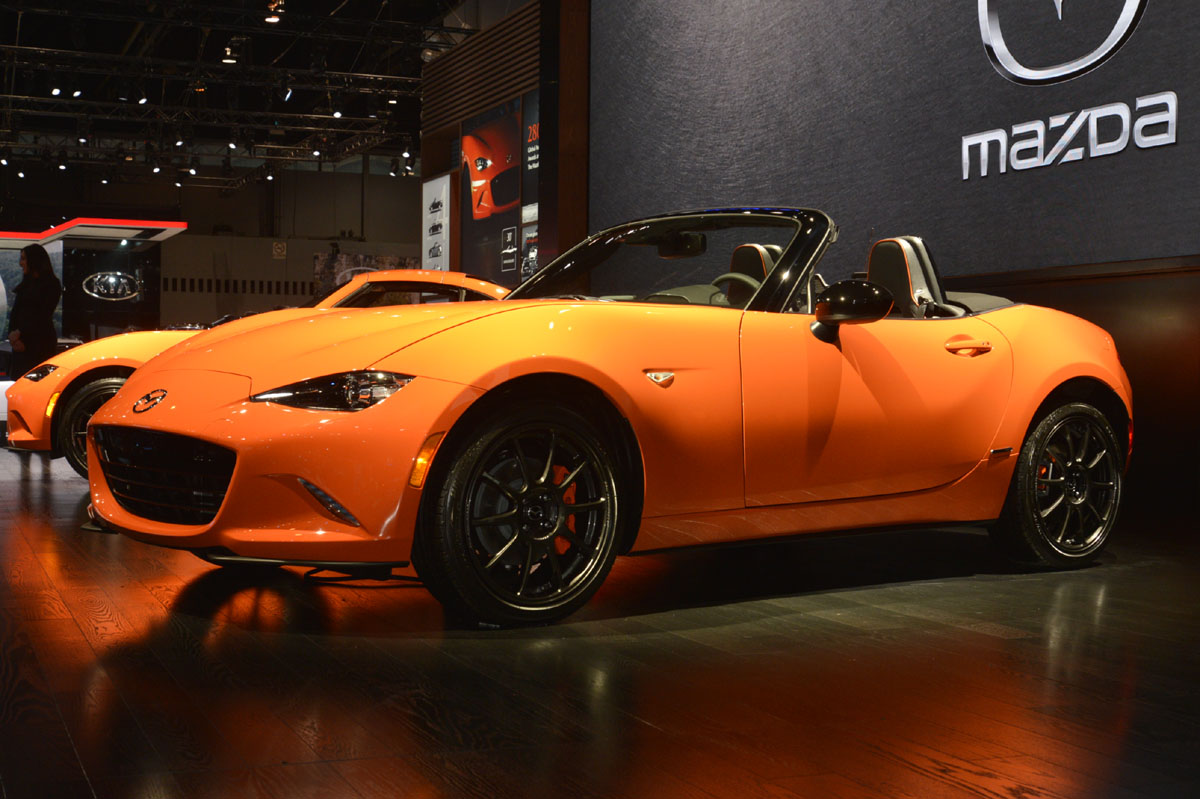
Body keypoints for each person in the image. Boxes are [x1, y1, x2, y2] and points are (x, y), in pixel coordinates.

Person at [5, 243, 62, 378]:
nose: (20, 263)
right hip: (20, 344)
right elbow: (15, 313)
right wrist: (13, 336)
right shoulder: (25, 285)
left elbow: (43, 315)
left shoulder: (51, 284)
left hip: (39, 344)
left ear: (34, 260)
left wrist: (19, 333)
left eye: (23, 259)